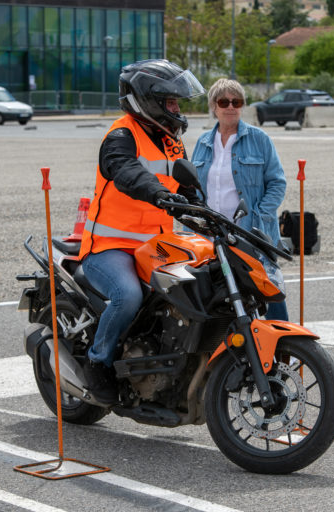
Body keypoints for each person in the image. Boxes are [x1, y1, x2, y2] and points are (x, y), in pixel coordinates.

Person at [77, 59, 205, 404]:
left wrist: (208, 214)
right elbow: (126, 171)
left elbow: (189, 190)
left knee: (197, 285)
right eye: (172, 103)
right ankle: (97, 362)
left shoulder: (171, 142)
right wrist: (158, 192)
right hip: (109, 247)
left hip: (156, 247)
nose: (177, 110)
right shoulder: (120, 136)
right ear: (149, 101)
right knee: (128, 296)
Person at [191, 78, 288, 321]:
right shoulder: (203, 143)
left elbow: (277, 182)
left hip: (250, 233)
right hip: (211, 235)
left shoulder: (259, 139)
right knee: (222, 294)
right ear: (214, 106)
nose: (231, 107)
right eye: (224, 101)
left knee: (267, 289)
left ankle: (285, 346)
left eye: (237, 101)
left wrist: (259, 214)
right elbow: (192, 188)